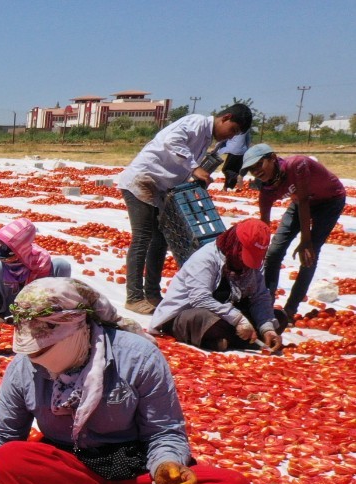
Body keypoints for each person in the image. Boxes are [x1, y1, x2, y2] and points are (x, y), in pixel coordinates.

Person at [0, 278, 251, 484]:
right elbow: (5, 433)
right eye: (30, 350)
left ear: (79, 328)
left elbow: (164, 431)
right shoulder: (23, 368)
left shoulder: (137, 357)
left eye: (44, 349)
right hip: (70, 469)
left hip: (134, 467)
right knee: (10, 460)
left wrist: (165, 466)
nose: (35, 359)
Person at [116, 102, 252, 314]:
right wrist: (195, 167)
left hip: (158, 188)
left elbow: (180, 162)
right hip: (142, 180)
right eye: (232, 130)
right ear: (225, 118)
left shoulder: (207, 140)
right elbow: (172, 141)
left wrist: (197, 174)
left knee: (160, 240)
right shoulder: (196, 122)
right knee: (142, 238)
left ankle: (152, 293)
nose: (229, 136)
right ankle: (133, 297)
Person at [246, 143, 349, 323]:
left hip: (330, 201)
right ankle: (265, 306)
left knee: (309, 255)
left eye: (258, 165)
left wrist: (306, 241)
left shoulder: (297, 165)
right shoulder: (267, 190)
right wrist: (257, 252)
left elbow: (303, 201)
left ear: (272, 158)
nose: (256, 172)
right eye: (251, 170)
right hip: (299, 203)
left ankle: (290, 310)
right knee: (274, 252)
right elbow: (264, 225)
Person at [150, 219, 281, 353]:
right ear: (236, 245)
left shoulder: (253, 266)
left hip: (226, 313)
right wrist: (238, 319)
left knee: (278, 317)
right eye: (245, 256)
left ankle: (230, 338)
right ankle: (238, 338)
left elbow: (259, 297)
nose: (247, 264)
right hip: (189, 313)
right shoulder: (205, 258)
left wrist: (267, 328)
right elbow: (199, 299)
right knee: (205, 319)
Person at [0, 219, 72, 318]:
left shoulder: (40, 259)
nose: (4, 260)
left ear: (19, 252)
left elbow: (39, 289)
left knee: (62, 265)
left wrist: (31, 310)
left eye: (8, 257)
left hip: (31, 299)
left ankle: (51, 311)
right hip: (7, 296)